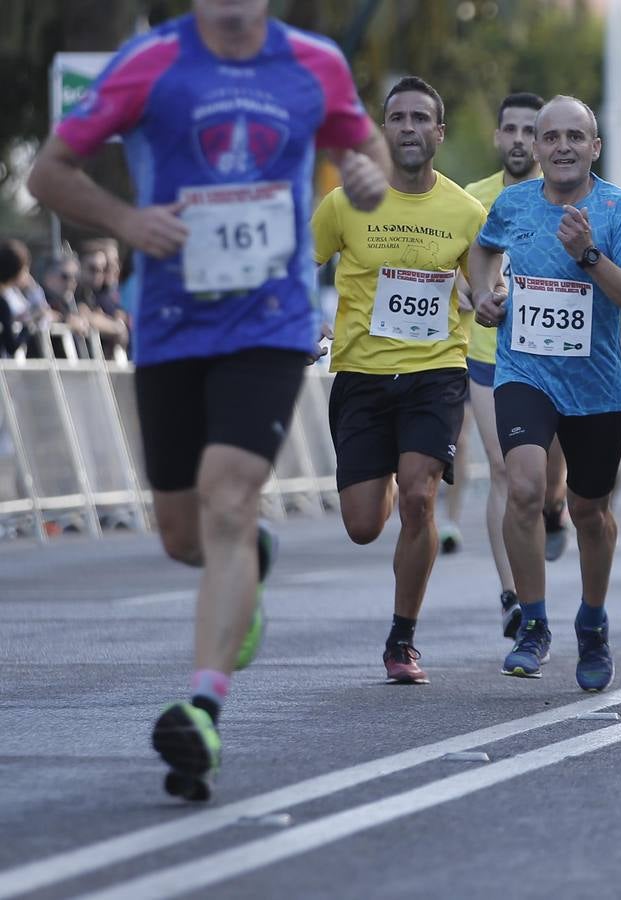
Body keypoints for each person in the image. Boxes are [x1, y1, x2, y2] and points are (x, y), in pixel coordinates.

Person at [27, 0, 388, 800]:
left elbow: (366, 158)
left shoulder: (313, 64)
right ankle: (245, 565)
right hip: (168, 324)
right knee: (184, 535)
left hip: (270, 322)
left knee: (231, 496)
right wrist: (126, 219)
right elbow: (47, 170)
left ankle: (203, 710)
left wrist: (366, 177)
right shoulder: (149, 62)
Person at [468, 95, 621, 690]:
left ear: (594, 147)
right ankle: (532, 623)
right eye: (551, 137)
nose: (561, 147)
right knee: (522, 488)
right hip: (524, 371)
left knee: (589, 513)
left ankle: (594, 622)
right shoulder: (514, 203)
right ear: (539, 148)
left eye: (575, 136)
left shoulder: (618, 209)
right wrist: (482, 294)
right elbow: (483, 249)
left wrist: (589, 256)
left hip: (596, 386)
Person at [311, 76, 486, 684]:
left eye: (420, 119)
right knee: (364, 526)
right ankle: (382, 474)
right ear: (384, 131)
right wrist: (295, 324)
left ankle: (402, 637)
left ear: (439, 133)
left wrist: (491, 299)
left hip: (435, 372)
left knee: (420, 496)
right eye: (397, 118)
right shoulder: (343, 203)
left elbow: (487, 282)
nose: (408, 128)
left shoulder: (466, 212)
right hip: (360, 373)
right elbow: (295, 264)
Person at [459, 92, 564, 639]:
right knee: (502, 470)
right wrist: (472, 291)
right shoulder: (474, 199)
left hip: (557, 360)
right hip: (489, 356)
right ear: (498, 137)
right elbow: (453, 265)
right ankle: (514, 597)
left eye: (532, 130)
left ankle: (555, 506)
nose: (520, 139)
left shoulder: (569, 197)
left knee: (545, 479)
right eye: (512, 130)